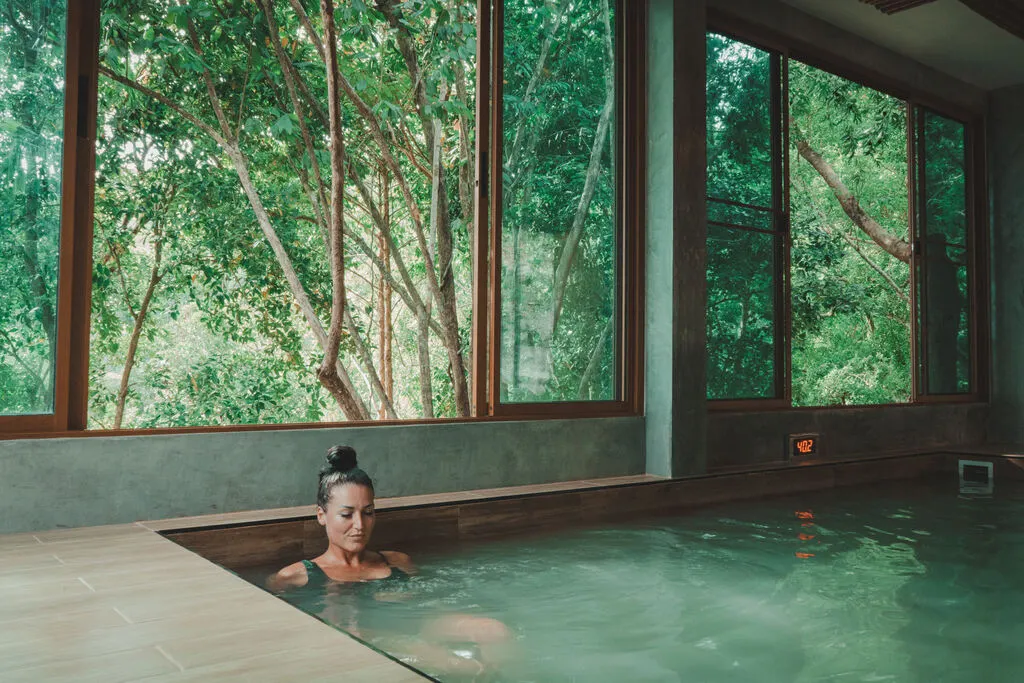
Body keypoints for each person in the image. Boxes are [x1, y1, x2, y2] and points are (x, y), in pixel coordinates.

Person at [268, 445, 511, 680]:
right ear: (321, 515)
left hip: (414, 628)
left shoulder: (397, 562)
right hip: (369, 642)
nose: (360, 525)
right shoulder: (297, 576)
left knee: (494, 630)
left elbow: (431, 605)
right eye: (346, 514)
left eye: (368, 512)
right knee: (461, 667)